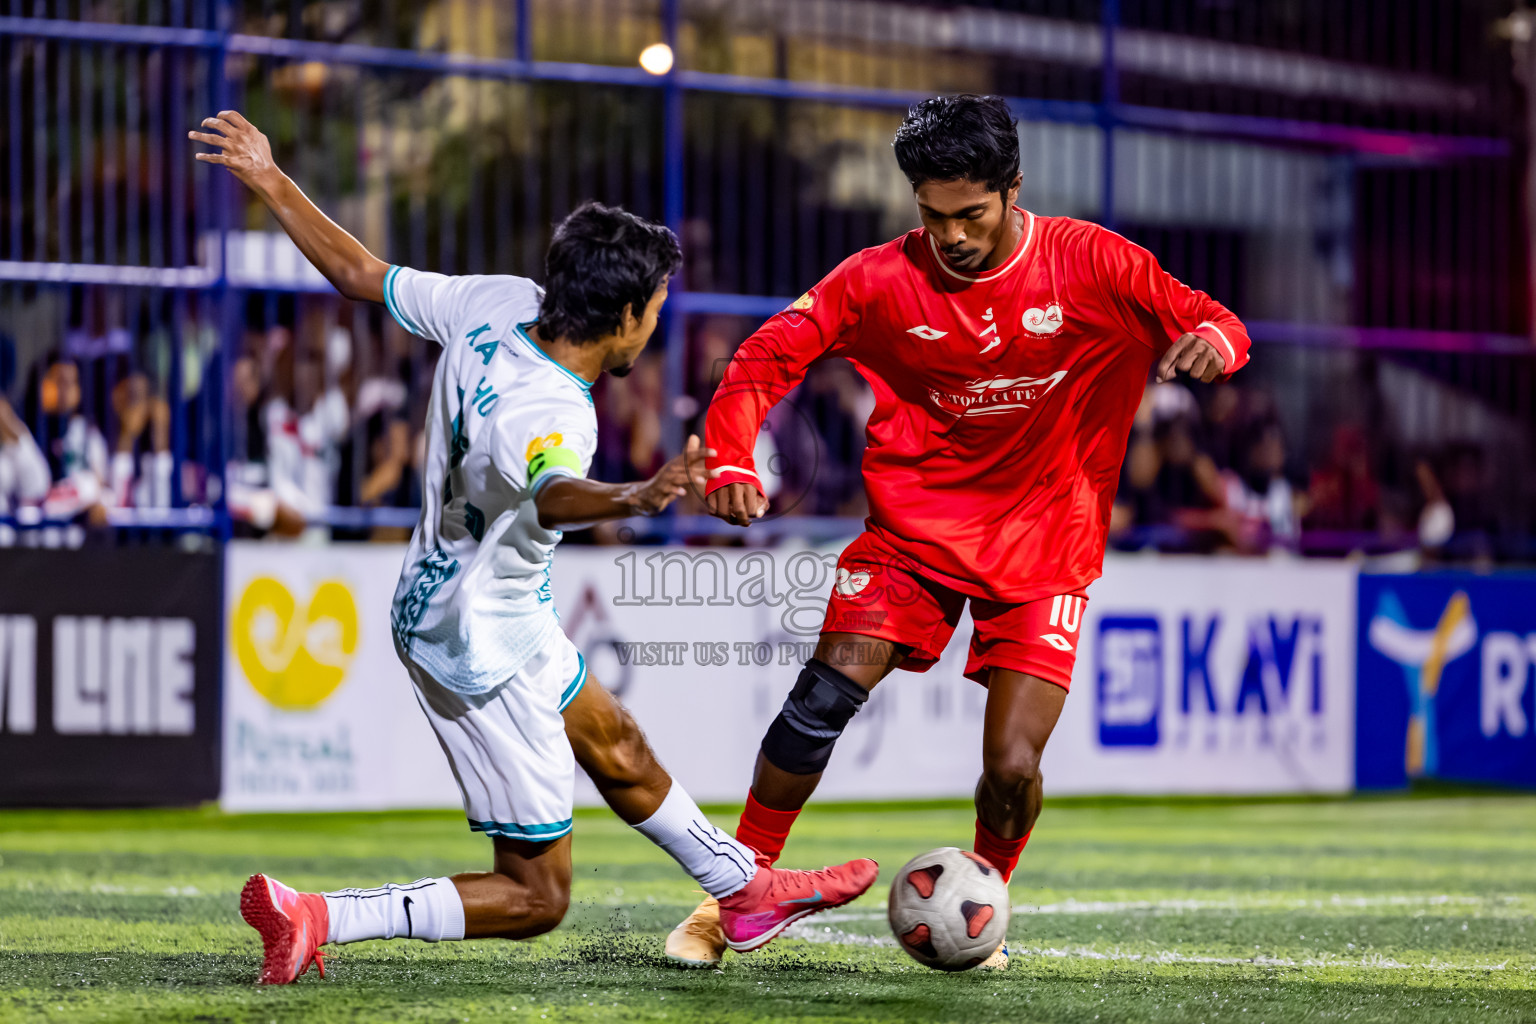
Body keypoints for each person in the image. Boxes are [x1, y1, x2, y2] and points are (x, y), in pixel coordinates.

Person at [191, 110, 875, 985]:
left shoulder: (498, 300)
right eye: (656, 309)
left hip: (478, 600)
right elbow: (552, 488)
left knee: (615, 739)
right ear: (623, 313)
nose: (657, 325)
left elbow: (361, 273)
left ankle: (742, 892)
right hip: (472, 634)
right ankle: (317, 914)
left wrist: (271, 178)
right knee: (537, 896)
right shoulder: (554, 412)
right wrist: (637, 493)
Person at [668, 94, 1250, 970]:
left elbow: (1214, 318)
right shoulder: (877, 280)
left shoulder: (1092, 262)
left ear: (1014, 190)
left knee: (1012, 769)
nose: (951, 235)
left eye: (970, 214)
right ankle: (731, 900)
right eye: (932, 215)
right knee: (821, 697)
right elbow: (764, 356)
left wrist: (1214, 342)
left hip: (1047, 545)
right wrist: (733, 456)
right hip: (914, 534)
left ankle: (984, 899)